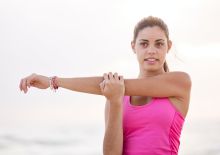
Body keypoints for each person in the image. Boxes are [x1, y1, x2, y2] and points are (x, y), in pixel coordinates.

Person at [19, 16, 191, 155]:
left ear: (168, 46)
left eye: (159, 44)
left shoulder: (179, 82)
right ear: (133, 47)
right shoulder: (115, 93)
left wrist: (53, 81)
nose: (151, 50)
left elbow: (110, 85)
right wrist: (115, 101)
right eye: (144, 44)